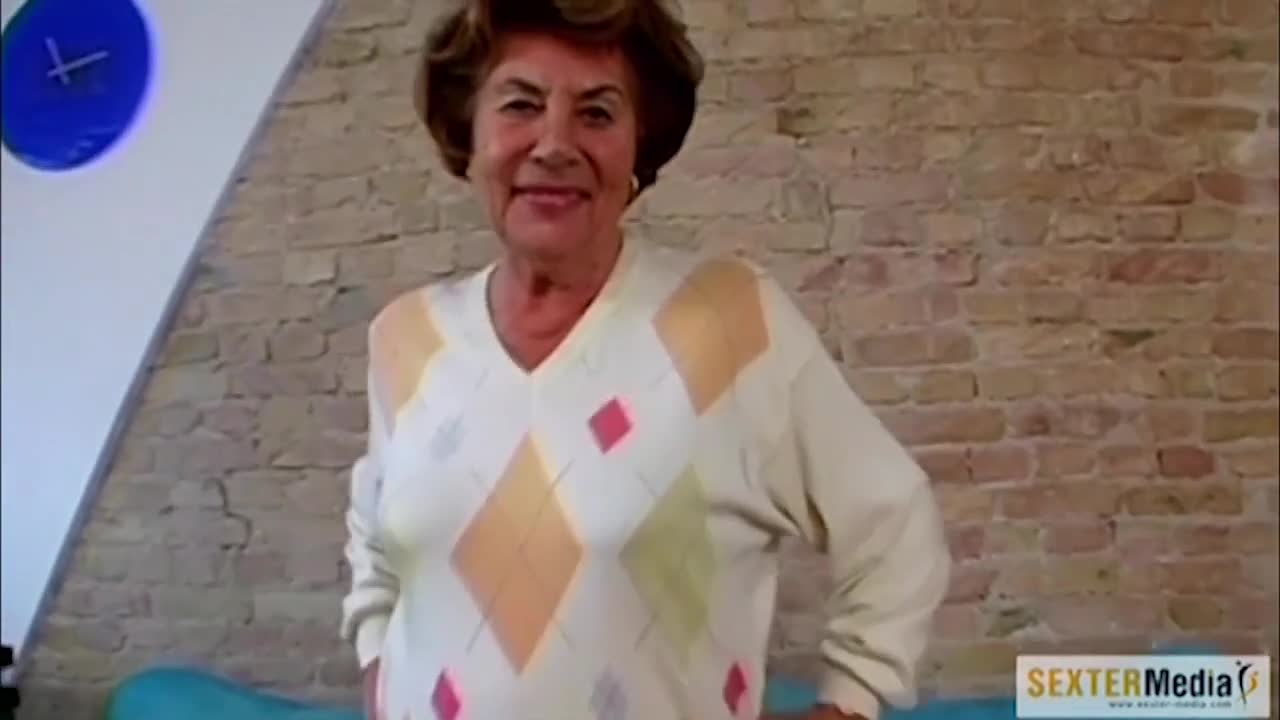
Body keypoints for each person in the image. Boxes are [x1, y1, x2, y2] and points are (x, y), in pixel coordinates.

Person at [338, 1, 952, 719]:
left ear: (639, 147)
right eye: (520, 105)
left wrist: (852, 700)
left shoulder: (729, 322)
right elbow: (377, 545)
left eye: (597, 113)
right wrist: (378, 668)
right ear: (467, 135)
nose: (555, 144)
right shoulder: (405, 337)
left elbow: (894, 517)